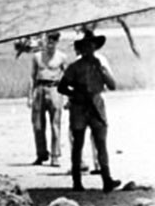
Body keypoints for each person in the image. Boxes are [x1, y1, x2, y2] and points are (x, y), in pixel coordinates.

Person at [58, 29, 121, 192]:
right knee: (78, 144)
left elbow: (112, 85)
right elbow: (62, 86)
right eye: (85, 45)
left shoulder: (100, 64)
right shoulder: (74, 67)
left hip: (96, 106)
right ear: (82, 48)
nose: (89, 48)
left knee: (101, 144)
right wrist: (75, 94)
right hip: (79, 108)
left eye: (91, 45)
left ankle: (107, 179)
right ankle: (77, 181)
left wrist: (102, 71)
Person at [29, 31, 68, 166]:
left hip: (55, 89)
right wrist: (30, 96)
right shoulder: (37, 56)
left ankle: (55, 155)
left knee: (55, 125)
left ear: (58, 41)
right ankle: (41, 154)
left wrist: (67, 96)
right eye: (49, 39)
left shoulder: (62, 57)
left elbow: (67, 77)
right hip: (40, 89)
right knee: (38, 124)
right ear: (45, 40)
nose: (51, 42)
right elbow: (32, 77)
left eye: (54, 39)